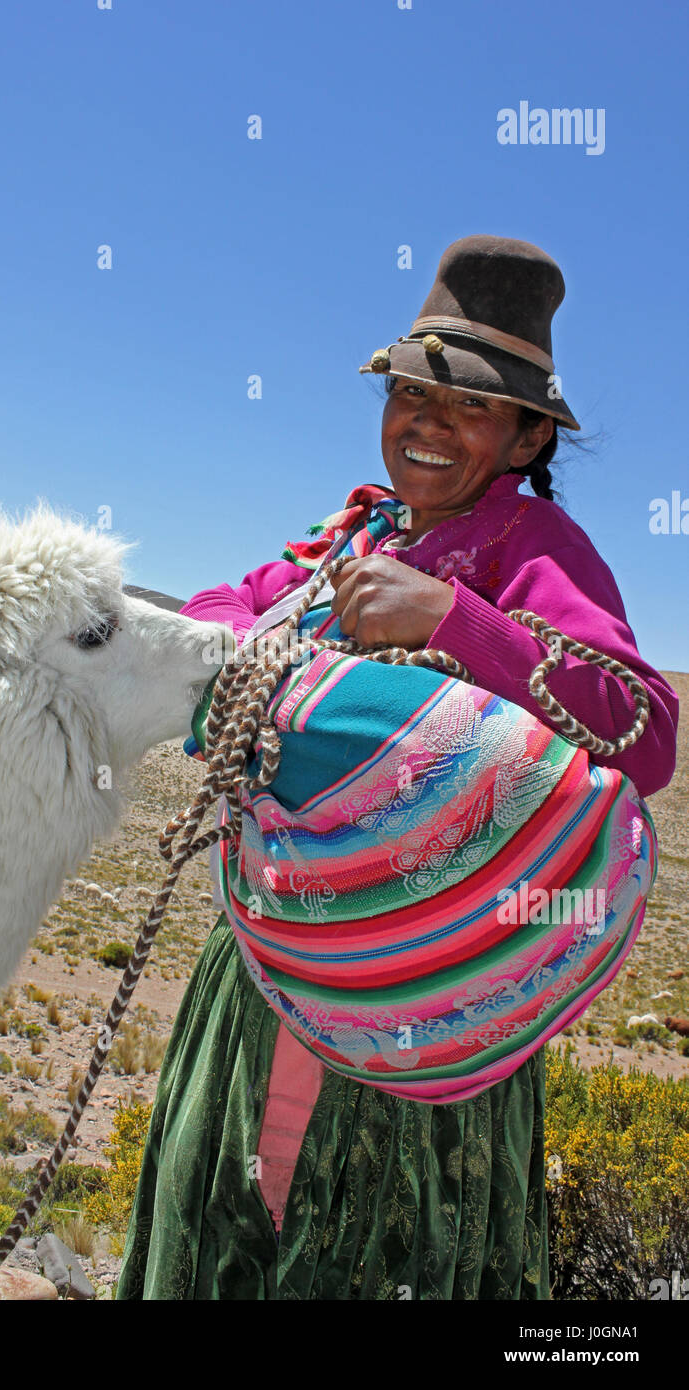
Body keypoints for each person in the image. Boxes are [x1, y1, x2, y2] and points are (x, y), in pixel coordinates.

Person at [115, 235, 679, 1300]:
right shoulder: (351, 532)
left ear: (521, 437)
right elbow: (214, 610)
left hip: (426, 1002)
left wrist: (454, 618)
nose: (424, 419)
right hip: (265, 968)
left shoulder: (534, 547)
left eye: (466, 405)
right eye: (410, 391)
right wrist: (255, 653)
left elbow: (641, 730)